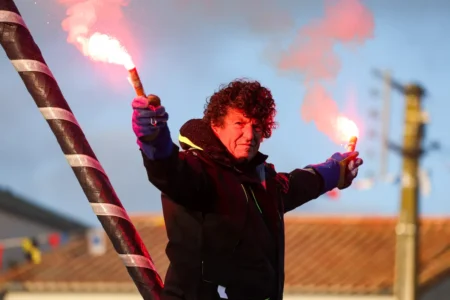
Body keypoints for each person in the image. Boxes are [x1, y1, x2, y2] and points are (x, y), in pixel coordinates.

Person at [131, 79, 363, 300]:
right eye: (239, 123)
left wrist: (336, 170)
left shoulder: (263, 181)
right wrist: (154, 138)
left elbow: (300, 183)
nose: (250, 135)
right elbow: (166, 169)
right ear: (216, 125)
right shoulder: (196, 170)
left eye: (257, 126)